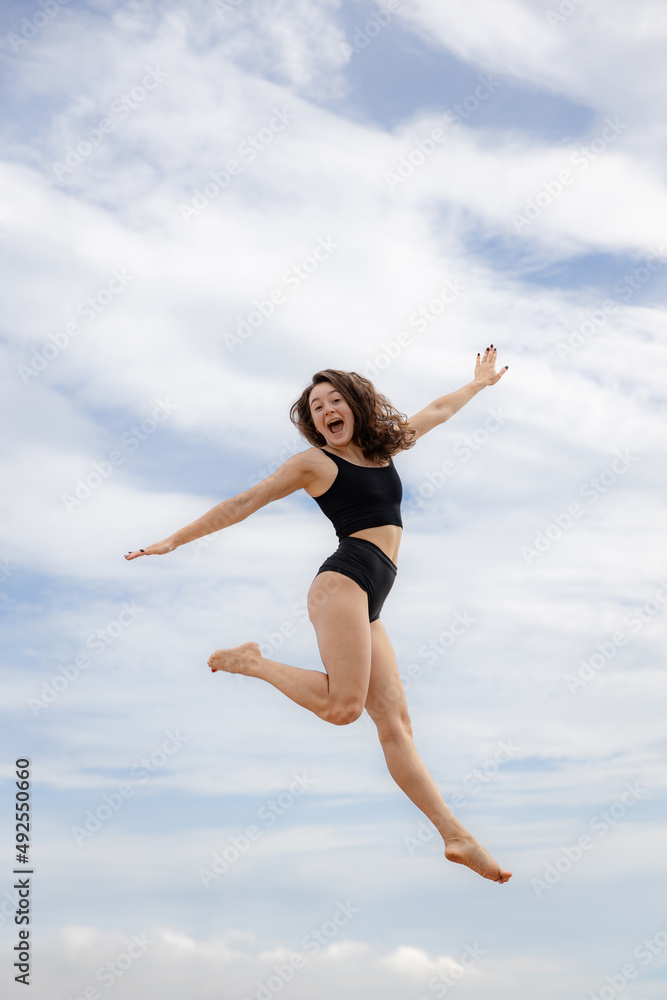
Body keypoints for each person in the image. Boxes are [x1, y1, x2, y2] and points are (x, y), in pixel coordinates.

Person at [125, 346, 511, 883]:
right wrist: (172, 540)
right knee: (342, 708)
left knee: (397, 726)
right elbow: (244, 502)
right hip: (345, 580)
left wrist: (478, 384)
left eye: (334, 400)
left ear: (354, 405)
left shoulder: (384, 450)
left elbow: (438, 411)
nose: (325, 409)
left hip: (374, 594)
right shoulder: (314, 464)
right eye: (315, 406)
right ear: (312, 422)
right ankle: (251, 662)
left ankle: (455, 835)